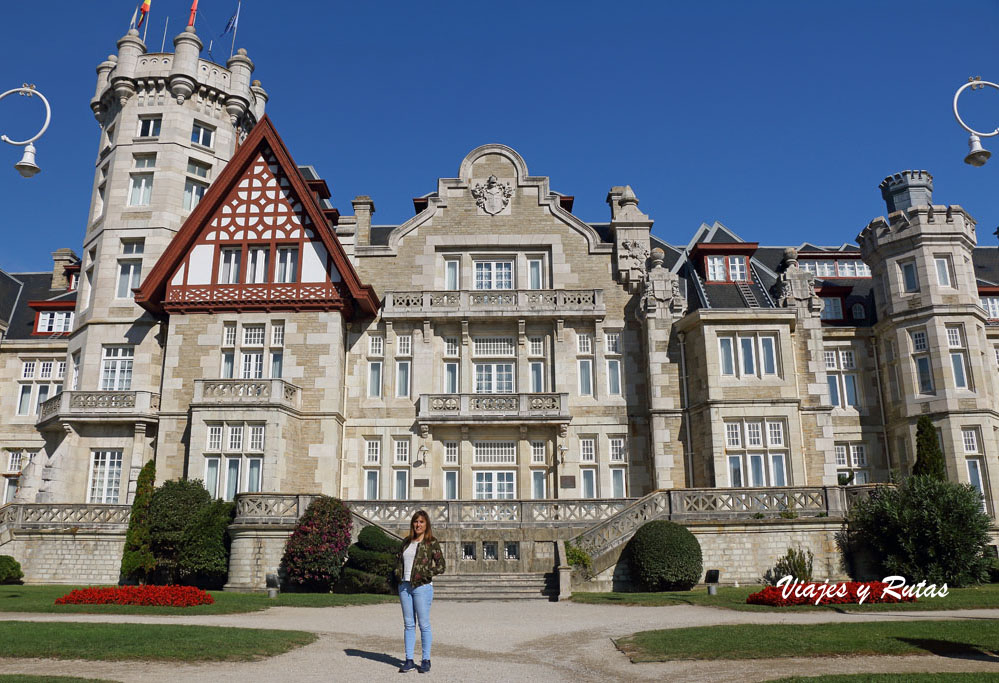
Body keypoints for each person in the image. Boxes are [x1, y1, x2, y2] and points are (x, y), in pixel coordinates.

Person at [394, 510, 445, 674]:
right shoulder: (406, 542)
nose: (418, 525)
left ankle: (425, 660)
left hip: (422, 587)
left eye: (422, 522)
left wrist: (425, 573)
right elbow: (398, 561)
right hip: (405, 586)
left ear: (426, 524)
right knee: (408, 624)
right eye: (416, 522)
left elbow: (441, 565)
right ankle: (409, 659)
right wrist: (397, 574)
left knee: (424, 624)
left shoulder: (431, 542)